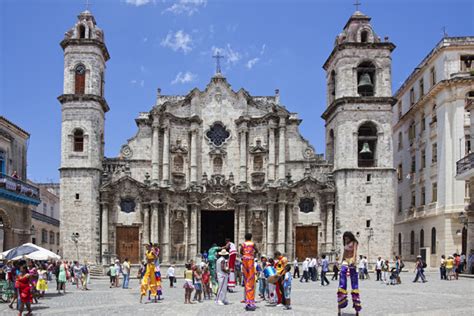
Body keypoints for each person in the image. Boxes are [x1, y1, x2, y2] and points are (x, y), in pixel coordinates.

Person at [337, 231, 361, 316]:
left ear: (350, 237)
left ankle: (356, 306)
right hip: (345, 261)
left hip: (351, 260)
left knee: (354, 282)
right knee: (342, 278)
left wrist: (354, 261)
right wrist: (341, 262)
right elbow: (344, 253)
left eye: (347, 238)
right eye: (345, 238)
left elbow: (355, 252)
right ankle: (342, 298)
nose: (346, 239)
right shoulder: (345, 244)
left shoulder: (354, 242)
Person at [240, 232, 258, 311]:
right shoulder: (253, 244)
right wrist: (252, 254)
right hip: (250, 260)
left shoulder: (243, 244)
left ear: (245, 238)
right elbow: (256, 251)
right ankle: (251, 301)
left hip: (244, 260)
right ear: (251, 237)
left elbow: (241, 251)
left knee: (246, 279)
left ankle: (247, 300)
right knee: (251, 280)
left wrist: (245, 253)